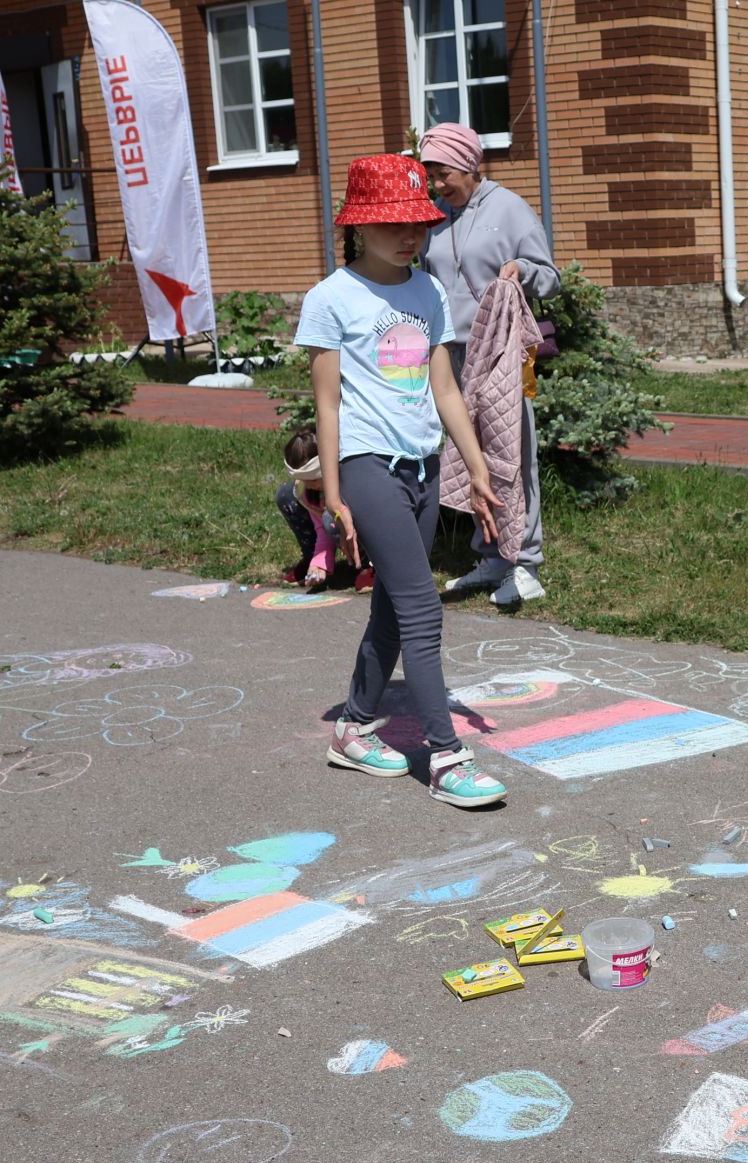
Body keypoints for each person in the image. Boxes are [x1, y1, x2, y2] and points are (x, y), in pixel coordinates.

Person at [294, 153, 508, 809]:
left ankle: (352, 728)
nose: (408, 235)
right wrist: (332, 494)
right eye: (390, 222)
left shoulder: (428, 291)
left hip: (421, 465)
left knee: (391, 607)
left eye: (417, 221)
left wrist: (474, 468)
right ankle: (446, 757)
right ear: (358, 225)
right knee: (420, 606)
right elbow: (327, 404)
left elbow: (443, 385)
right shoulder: (332, 298)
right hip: (366, 465)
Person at [419, 122, 561, 608]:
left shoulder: (509, 208)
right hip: (450, 352)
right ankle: (493, 554)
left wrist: (522, 272)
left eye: (443, 174)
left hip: (500, 351)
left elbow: (551, 276)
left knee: (513, 451)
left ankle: (527, 562)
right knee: (468, 454)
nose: (437, 185)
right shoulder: (434, 215)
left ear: (468, 165)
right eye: (431, 175)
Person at [275, 427, 373, 593]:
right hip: (339, 526)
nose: (309, 485)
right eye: (304, 480)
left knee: (333, 517)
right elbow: (322, 529)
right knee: (287, 496)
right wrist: (320, 562)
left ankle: (370, 565)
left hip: (373, 527)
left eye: (313, 479)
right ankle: (312, 561)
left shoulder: (352, 481)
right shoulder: (311, 492)